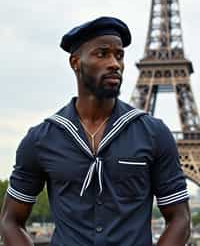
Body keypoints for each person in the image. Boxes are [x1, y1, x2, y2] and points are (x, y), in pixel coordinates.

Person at [0, 16, 190, 246]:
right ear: (75, 62)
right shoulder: (40, 139)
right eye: (102, 54)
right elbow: (10, 220)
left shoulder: (155, 134)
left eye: (119, 55)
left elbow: (180, 218)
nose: (115, 64)